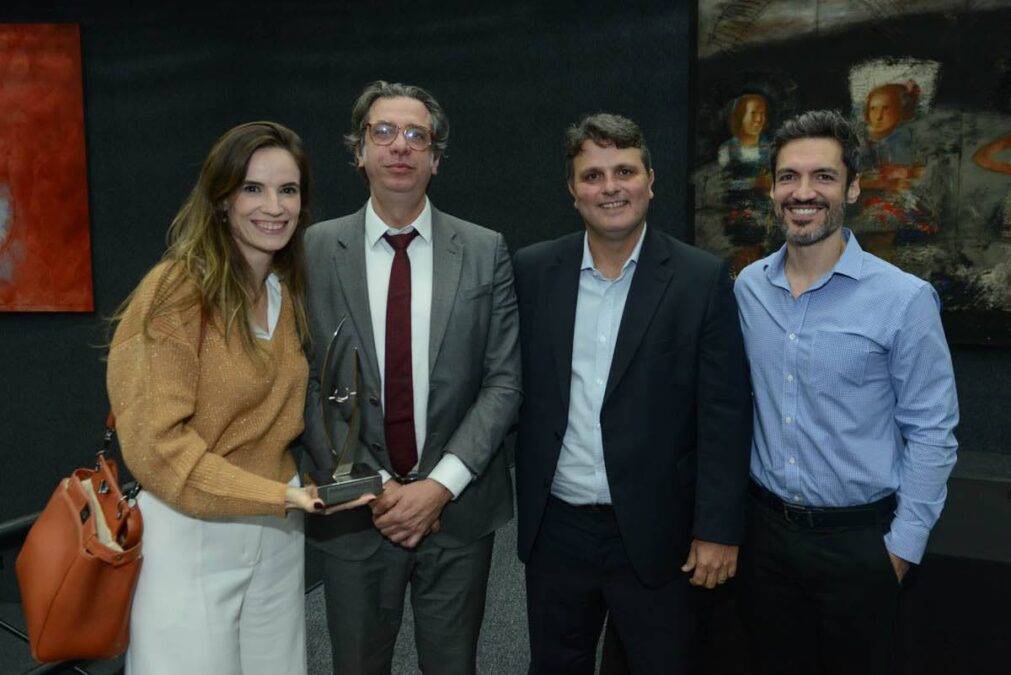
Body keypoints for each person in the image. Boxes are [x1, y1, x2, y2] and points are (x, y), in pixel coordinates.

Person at [107, 121, 368, 675]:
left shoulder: (284, 293)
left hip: (277, 533)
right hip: (192, 535)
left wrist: (311, 491)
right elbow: (158, 448)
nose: (274, 207)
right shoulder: (177, 291)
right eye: (253, 188)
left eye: (288, 190)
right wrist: (283, 497)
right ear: (222, 199)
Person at [512, 113, 753, 674]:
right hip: (557, 528)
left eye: (624, 171)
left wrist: (717, 530)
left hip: (658, 531)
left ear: (650, 180)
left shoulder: (701, 279)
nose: (610, 187)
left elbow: (725, 414)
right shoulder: (533, 270)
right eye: (592, 175)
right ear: (572, 190)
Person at [301, 81, 521, 675]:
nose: (400, 145)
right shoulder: (312, 251)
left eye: (416, 135)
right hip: (355, 514)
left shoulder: (484, 250)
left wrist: (439, 487)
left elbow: (503, 383)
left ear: (435, 158)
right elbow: (304, 385)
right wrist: (374, 487)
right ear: (359, 151)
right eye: (383, 132)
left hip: (457, 511)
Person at [734, 109, 959, 675]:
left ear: (853, 188)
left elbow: (932, 432)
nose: (802, 192)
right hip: (764, 538)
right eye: (788, 177)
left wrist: (901, 549)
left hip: (859, 544)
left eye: (823, 177)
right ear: (773, 190)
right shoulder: (746, 288)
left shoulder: (904, 300)